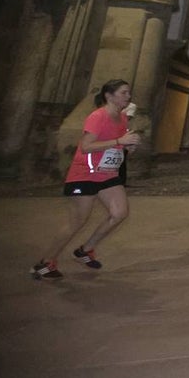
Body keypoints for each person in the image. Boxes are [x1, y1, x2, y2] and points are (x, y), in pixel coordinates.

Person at [32, 79, 142, 280]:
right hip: (86, 174)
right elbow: (86, 146)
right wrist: (119, 141)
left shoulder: (122, 118)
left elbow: (116, 146)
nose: (128, 96)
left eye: (129, 93)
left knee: (119, 213)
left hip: (107, 173)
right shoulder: (97, 117)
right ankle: (45, 263)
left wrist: (128, 146)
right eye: (124, 92)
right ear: (109, 96)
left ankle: (85, 250)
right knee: (77, 221)